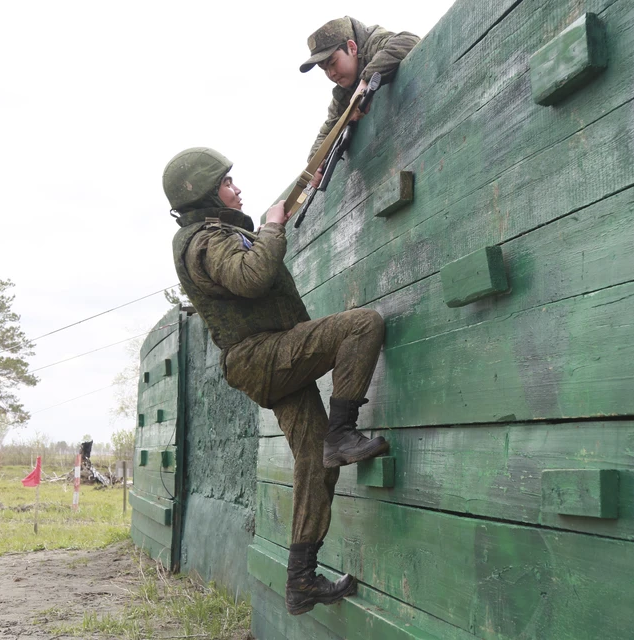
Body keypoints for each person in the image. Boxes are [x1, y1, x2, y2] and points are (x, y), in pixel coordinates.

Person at [162, 147, 390, 615]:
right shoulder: (204, 240)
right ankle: (343, 431)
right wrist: (271, 227)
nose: (237, 188)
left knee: (315, 461)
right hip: (262, 355)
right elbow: (250, 277)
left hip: (265, 356)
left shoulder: (217, 233)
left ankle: (300, 580)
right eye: (227, 182)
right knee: (362, 325)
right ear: (205, 191)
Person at [300, 16, 419, 172]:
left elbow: (408, 41)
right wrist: (313, 166)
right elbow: (328, 130)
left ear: (352, 47)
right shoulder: (343, 92)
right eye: (325, 70)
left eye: (333, 63)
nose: (331, 74)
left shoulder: (374, 44)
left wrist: (365, 81)